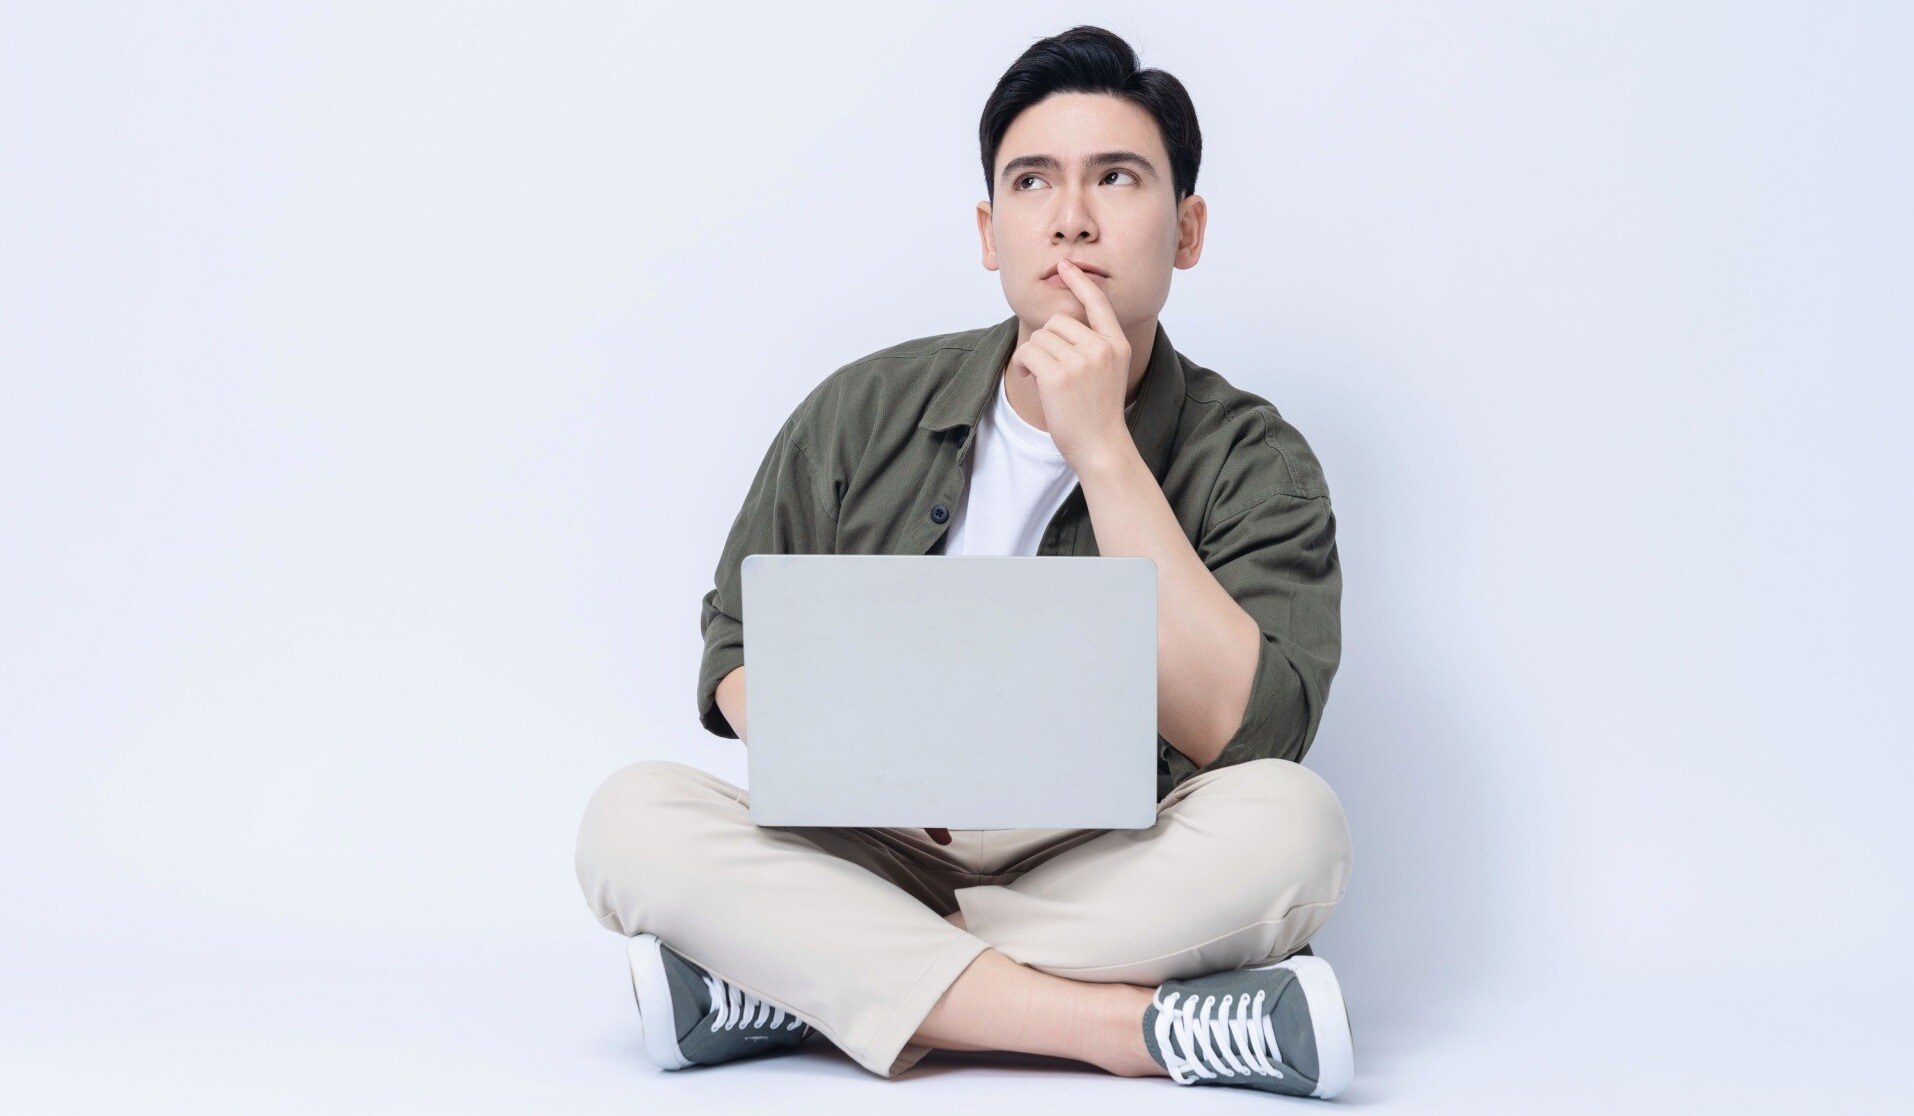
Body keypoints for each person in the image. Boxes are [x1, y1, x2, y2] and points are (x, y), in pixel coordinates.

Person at [575, 25, 1355, 1099]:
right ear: (992, 232)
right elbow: (735, 645)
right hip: (872, 839)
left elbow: (1249, 732)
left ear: (1187, 229)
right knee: (631, 820)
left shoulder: (1254, 456)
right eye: (1032, 181)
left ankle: (803, 975)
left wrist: (1101, 445)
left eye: (1117, 178)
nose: (1071, 217)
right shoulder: (863, 407)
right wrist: (855, 757)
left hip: (1108, 849)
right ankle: (1119, 1028)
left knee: (1294, 826)